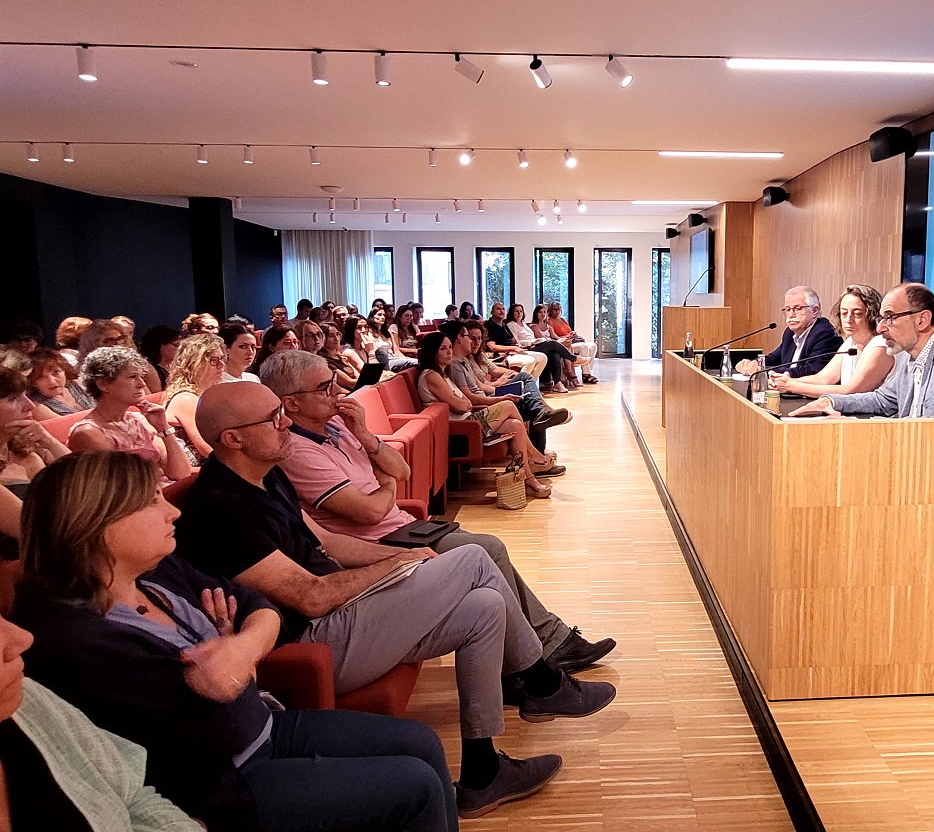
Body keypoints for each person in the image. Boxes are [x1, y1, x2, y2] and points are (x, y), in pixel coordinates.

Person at [176, 383, 616, 818]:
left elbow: (329, 543)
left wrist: (403, 555)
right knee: (475, 559)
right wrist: (394, 568)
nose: (285, 422)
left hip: (344, 612)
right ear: (232, 438)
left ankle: (483, 772)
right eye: (272, 418)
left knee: (484, 606)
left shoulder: (265, 475)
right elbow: (310, 597)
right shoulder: (218, 510)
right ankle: (541, 682)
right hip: (313, 640)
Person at [14, 450, 458, 831]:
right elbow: (222, 725)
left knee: (421, 742)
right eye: (150, 503)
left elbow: (257, 605)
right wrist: (237, 650)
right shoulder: (71, 637)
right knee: (413, 786)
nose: (173, 511)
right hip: (223, 783)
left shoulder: (156, 570)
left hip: (265, 724)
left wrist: (240, 647)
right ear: (96, 522)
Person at [259, 350, 608, 671]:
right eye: (324, 387)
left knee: (490, 549)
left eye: (335, 381)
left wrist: (367, 437)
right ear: (291, 403)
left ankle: (545, 643)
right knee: (488, 548)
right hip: (379, 541)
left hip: (403, 526)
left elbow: (401, 470)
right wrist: (387, 484)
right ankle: (541, 650)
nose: (338, 392)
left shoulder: (340, 426)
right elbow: (368, 512)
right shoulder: (297, 452)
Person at [792, 283, 934, 526]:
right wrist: (831, 401)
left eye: (889, 317)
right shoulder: (909, 355)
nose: (880, 328)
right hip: (924, 463)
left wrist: (862, 427)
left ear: (922, 320)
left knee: (865, 483)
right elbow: (883, 400)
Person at [0, 612, 203, 830]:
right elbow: (224, 722)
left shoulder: (28, 701)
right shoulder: (77, 636)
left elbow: (134, 796)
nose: (23, 638)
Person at [416, 333, 556, 499]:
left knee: (516, 426)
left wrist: (463, 402)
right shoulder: (431, 375)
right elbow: (461, 405)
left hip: (467, 421)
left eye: (450, 347)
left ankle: (528, 480)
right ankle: (535, 456)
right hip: (460, 429)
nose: (449, 352)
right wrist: (462, 402)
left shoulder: (443, 375)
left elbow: (466, 401)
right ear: (432, 352)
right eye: (443, 349)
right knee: (509, 405)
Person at [68, 347, 192, 484]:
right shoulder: (88, 433)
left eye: (141, 377)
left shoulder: (138, 419)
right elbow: (126, 487)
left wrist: (163, 428)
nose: (142, 384)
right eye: (132, 377)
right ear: (103, 384)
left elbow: (181, 473)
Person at [449, 321, 570, 455]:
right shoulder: (459, 364)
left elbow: (488, 375)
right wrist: (499, 387)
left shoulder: (466, 361)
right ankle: (539, 440)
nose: (475, 342)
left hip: (489, 396)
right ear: (459, 339)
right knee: (528, 394)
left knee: (527, 380)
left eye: (479, 338)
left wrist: (505, 380)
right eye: (470, 338)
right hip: (488, 399)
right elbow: (475, 394)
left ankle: (540, 432)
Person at [773, 284, 895, 399]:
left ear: (872, 315)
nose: (848, 319)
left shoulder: (880, 345)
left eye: (857, 314)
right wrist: (783, 380)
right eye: (844, 313)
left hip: (877, 418)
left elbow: (850, 391)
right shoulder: (850, 342)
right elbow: (823, 379)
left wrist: (792, 386)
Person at [736, 285, 841, 377]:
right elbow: (774, 358)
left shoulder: (825, 334)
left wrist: (762, 371)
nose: (791, 315)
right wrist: (754, 364)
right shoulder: (790, 333)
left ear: (814, 311)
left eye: (798, 308)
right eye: (788, 309)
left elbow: (812, 371)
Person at [0, 368, 70, 497]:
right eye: (14, 399)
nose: (30, 405)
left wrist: (48, 440)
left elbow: (84, 479)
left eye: (26, 395)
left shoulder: (25, 450)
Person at [163, 334, 227, 465]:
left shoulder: (208, 394)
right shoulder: (186, 399)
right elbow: (207, 449)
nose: (221, 365)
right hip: (194, 473)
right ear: (193, 363)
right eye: (213, 360)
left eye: (222, 358)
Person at [506, 305, 576, 392]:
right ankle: (572, 357)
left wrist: (536, 340)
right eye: (516, 311)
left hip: (535, 344)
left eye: (521, 311)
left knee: (555, 355)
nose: (519, 313)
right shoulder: (511, 325)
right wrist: (531, 342)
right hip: (527, 347)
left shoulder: (524, 324)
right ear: (512, 313)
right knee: (552, 343)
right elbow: (517, 342)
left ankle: (557, 383)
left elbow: (532, 337)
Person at [483, 304, 547, 379]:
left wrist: (518, 346)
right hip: (500, 355)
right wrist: (513, 348)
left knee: (543, 357)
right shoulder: (487, 326)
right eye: (498, 309)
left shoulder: (504, 325)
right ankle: (519, 386)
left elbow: (514, 340)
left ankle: (528, 385)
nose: (501, 311)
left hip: (513, 352)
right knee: (530, 361)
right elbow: (492, 347)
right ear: (492, 312)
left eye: (503, 309)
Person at [28, 347, 95, 416]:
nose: (52, 381)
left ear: (65, 370)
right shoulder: (36, 405)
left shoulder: (80, 385)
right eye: (41, 377)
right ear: (33, 382)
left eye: (56, 372)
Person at [546, 302, 599, 384]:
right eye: (555, 309)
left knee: (593, 345)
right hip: (563, 344)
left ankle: (588, 371)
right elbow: (554, 337)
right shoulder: (550, 321)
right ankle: (586, 374)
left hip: (571, 340)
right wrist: (568, 336)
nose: (557, 311)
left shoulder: (563, 320)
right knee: (584, 347)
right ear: (550, 310)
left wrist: (574, 334)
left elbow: (569, 331)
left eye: (559, 309)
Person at [139, 325, 183, 393]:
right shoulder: (149, 368)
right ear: (160, 346)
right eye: (176, 345)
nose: (179, 349)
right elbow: (158, 395)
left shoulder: (177, 365)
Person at [318, 322, 360, 390]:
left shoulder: (341, 357)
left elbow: (358, 377)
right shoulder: (325, 362)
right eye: (331, 336)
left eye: (337, 334)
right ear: (323, 339)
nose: (336, 338)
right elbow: (350, 383)